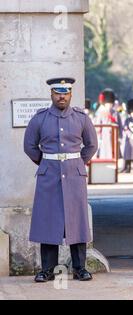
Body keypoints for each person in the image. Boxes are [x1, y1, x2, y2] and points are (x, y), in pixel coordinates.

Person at [23, 77, 98, 282]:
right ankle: (47, 269)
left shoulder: (81, 118)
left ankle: (80, 268)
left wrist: (76, 163)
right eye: (58, 92)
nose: (61, 96)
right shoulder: (40, 119)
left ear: (71, 94)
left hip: (74, 174)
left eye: (65, 92)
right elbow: (29, 146)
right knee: (48, 220)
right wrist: (46, 163)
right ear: (51, 94)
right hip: (49, 175)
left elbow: (91, 145)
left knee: (77, 221)